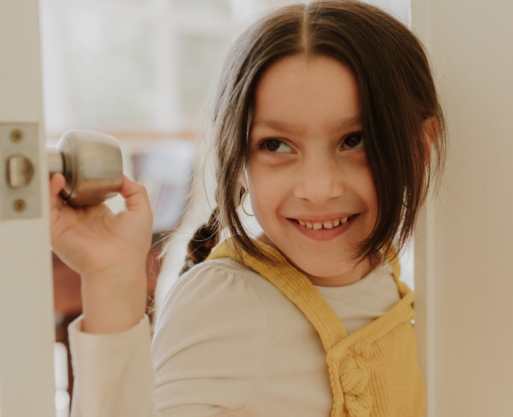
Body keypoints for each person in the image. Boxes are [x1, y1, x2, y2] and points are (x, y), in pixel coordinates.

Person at [49, 1, 445, 416]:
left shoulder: (387, 272)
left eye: (355, 140)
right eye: (275, 145)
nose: (318, 188)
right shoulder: (225, 302)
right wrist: (113, 280)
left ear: (419, 148)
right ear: (236, 159)